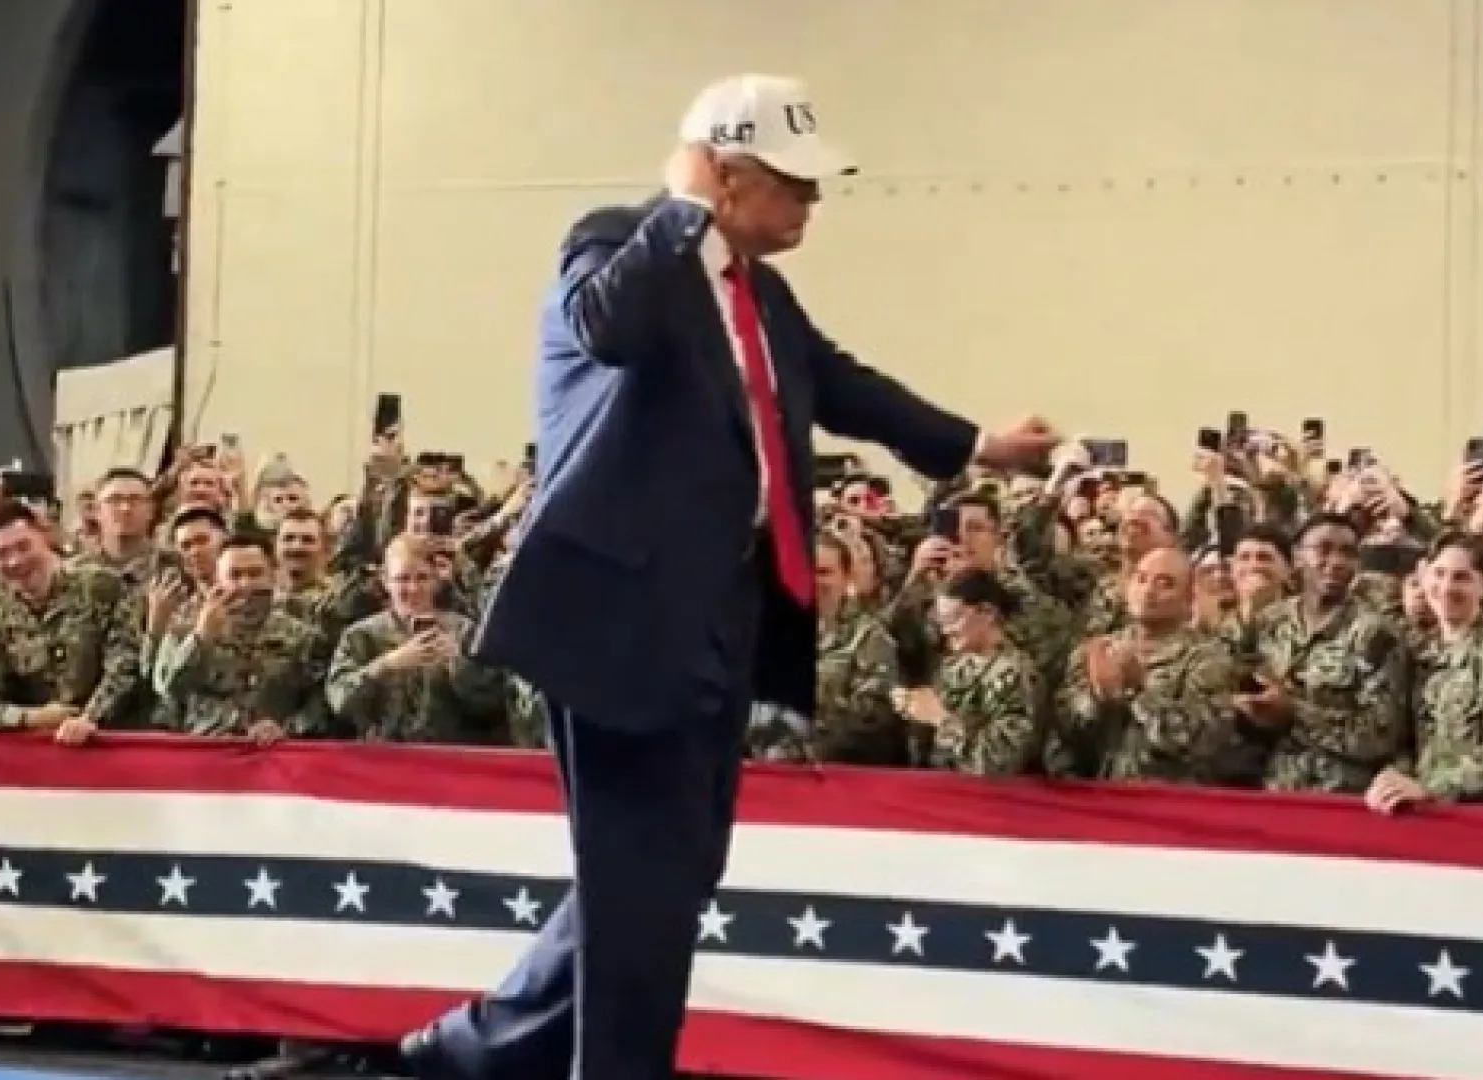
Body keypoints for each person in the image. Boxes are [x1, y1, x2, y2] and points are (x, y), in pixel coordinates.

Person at [403, 73, 1059, 1080]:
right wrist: (678, 210)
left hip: (717, 620)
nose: (812, 203)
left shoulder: (763, 296)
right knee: (638, 890)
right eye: (794, 182)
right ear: (727, 173)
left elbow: (844, 387)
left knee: (671, 877)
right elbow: (604, 328)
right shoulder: (619, 240)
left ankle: (477, 1050)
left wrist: (979, 444)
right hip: (619, 622)